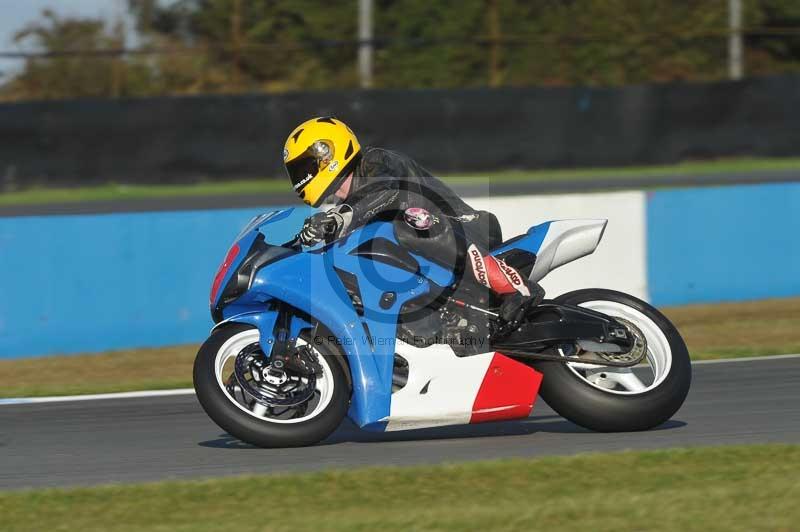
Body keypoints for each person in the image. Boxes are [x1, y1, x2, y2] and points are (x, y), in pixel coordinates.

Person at [282, 116, 544, 322]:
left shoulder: (376, 162)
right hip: (434, 262)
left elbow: (388, 192)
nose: (302, 176)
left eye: (304, 167)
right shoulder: (345, 210)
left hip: (466, 227)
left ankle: (517, 288)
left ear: (327, 152)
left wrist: (341, 217)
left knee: (410, 221)